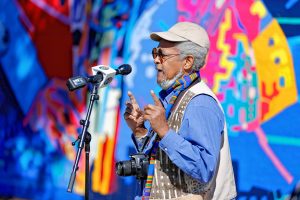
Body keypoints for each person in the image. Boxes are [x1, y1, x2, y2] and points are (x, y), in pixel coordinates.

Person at [123, 22, 237, 200]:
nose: (156, 59)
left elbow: (204, 168)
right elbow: (160, 160)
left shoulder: (200, 103)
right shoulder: (172, 97)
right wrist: (139, 130)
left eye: (162, 54)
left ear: (187, 62)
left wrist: (164, 131)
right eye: (155, 52)